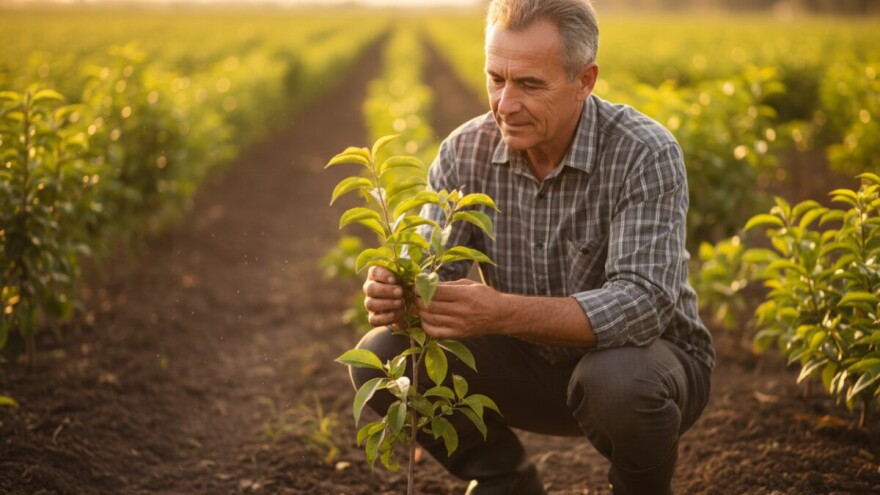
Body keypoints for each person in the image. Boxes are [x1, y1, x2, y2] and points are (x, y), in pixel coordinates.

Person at [351, 0, 714, 493]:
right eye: (495, 78)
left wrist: (500, 313)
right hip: (530, 367)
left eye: (529, 84)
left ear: (584, 81)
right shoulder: (465, 152)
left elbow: (643, 305)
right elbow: (429, 271)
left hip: (648, 370)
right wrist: (400, 293)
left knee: (617, 382)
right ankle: (508, 482)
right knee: (385, 355)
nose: (504, 103)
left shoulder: (643, 152)